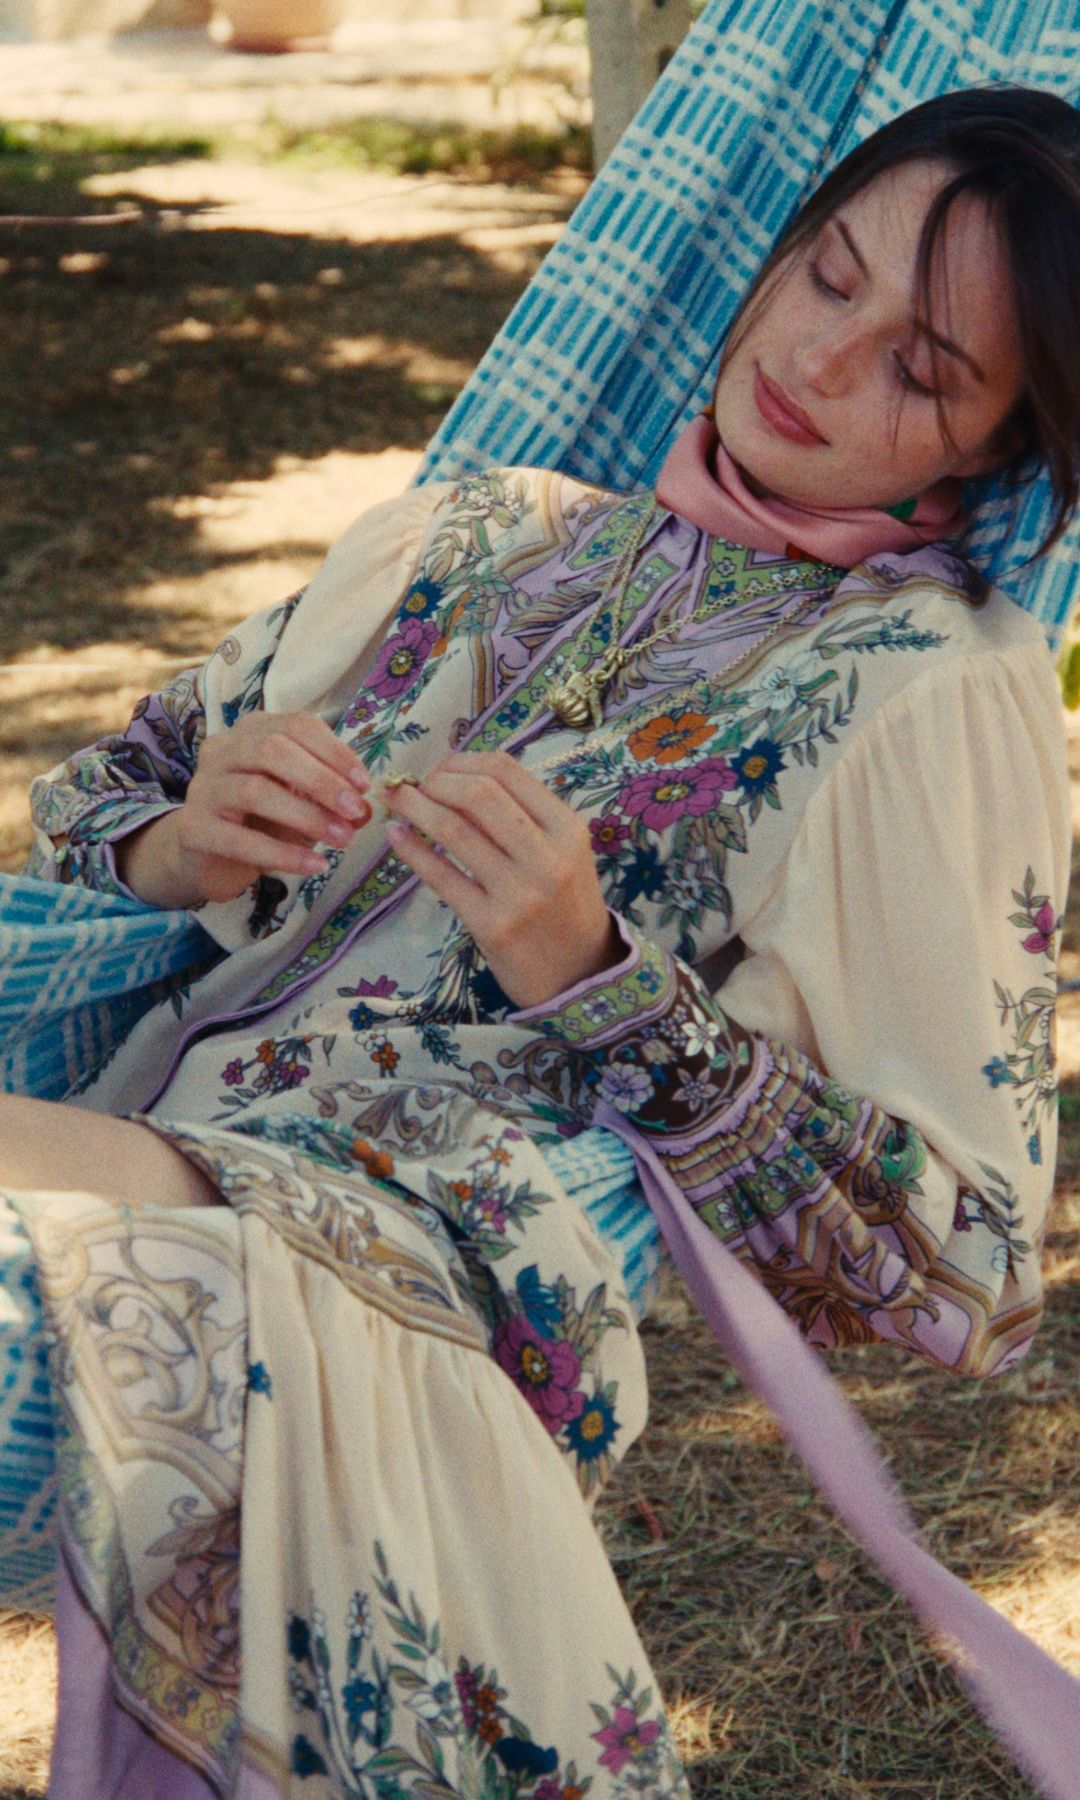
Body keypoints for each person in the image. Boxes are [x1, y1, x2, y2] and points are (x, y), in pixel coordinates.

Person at [3, 83, 1078, 1798]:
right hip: (149, 1130)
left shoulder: (932, 695)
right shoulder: (486, 525)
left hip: (391, 1244)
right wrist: (177, 832)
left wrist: (598, 973)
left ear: (996, 451)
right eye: (826, 275)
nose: (819, 356)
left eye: (923, 369)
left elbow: (967, 1279)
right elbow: (102, 796)